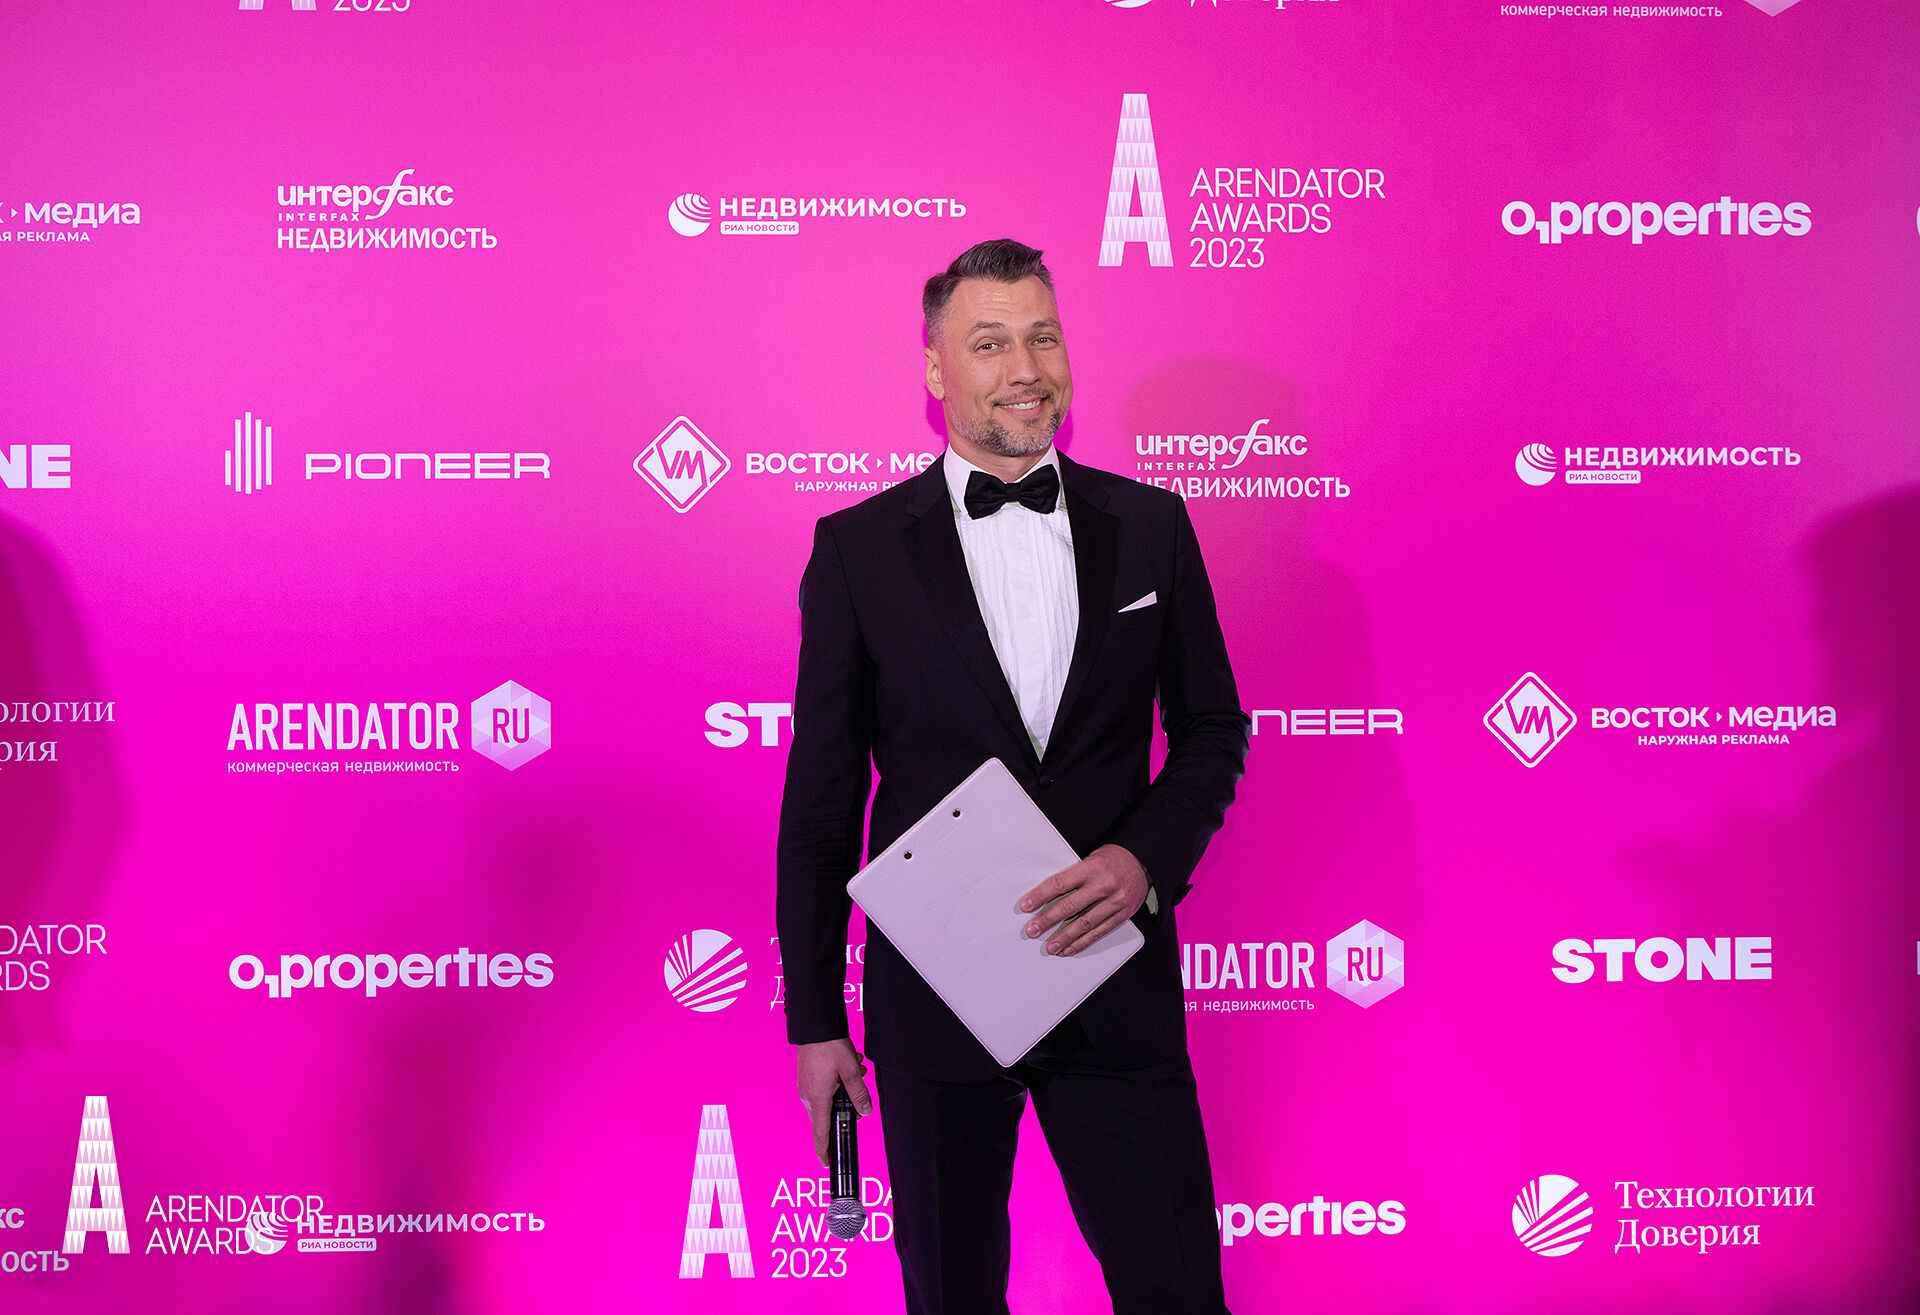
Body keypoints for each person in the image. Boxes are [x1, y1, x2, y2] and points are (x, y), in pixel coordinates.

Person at [776, 238, 1249, 1315]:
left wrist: (1144, 858)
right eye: (989, 343)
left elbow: (1214, 726)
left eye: (1044, 337)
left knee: (1178, 1290)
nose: (1025, 368)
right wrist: (814, 1020)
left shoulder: (1153, 527)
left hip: (1113, 985)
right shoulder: (856, 550)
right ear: (936, 370)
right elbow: (821, 801)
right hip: (933, 1001)